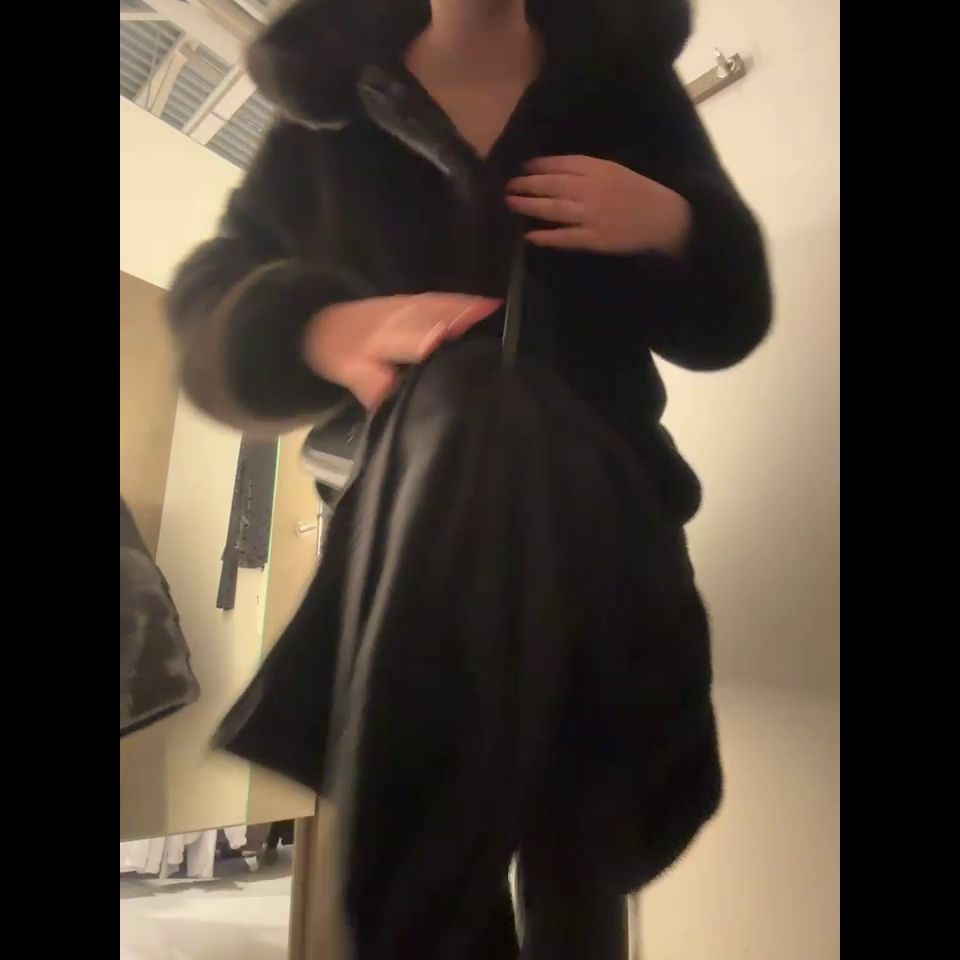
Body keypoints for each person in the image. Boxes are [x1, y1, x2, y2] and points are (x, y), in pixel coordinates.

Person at [167, 1, 771, 956]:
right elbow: (211, 298)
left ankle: (411, 906)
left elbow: (732, 315)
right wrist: (324, 329)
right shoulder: (330, 104)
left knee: (578, 860)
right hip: (414, 540)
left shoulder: (624, 86)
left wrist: (675, 224)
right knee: (463, 405)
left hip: (601, 537)